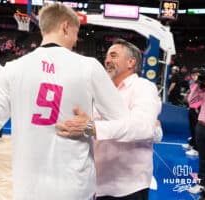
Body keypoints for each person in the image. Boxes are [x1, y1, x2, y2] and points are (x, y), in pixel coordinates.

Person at [0, 3, 133, 200]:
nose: (76, 40)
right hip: (76, 189)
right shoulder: (89, 67)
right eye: (76, 32)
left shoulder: (12, 69)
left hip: (28, 190)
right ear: (65, 26)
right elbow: (125, 124)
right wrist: (91, 126)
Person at [56, 39, 161, 200]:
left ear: (131, 62)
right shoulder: (100, 90)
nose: (107, 61)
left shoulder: (143, 87)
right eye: (106, 56)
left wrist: (94, 128)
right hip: (95, 182)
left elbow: (142, 127)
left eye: (113, 56)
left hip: (127, 187)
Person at [188, 68, 205, 196]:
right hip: (202, 127)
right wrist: (197, 85)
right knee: (203, 159)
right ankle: (201, 184)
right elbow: (191, 101)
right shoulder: (203, 90)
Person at [183, 67, 201, 156]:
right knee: (192, 127)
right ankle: (192, 144)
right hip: (191, 108)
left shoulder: (202, 84)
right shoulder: (192, 84)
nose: (194, 76)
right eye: (193, 75)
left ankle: (197, 149)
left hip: (197, 109)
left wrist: (198, 107)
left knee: (197, 129)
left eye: (196, 75)